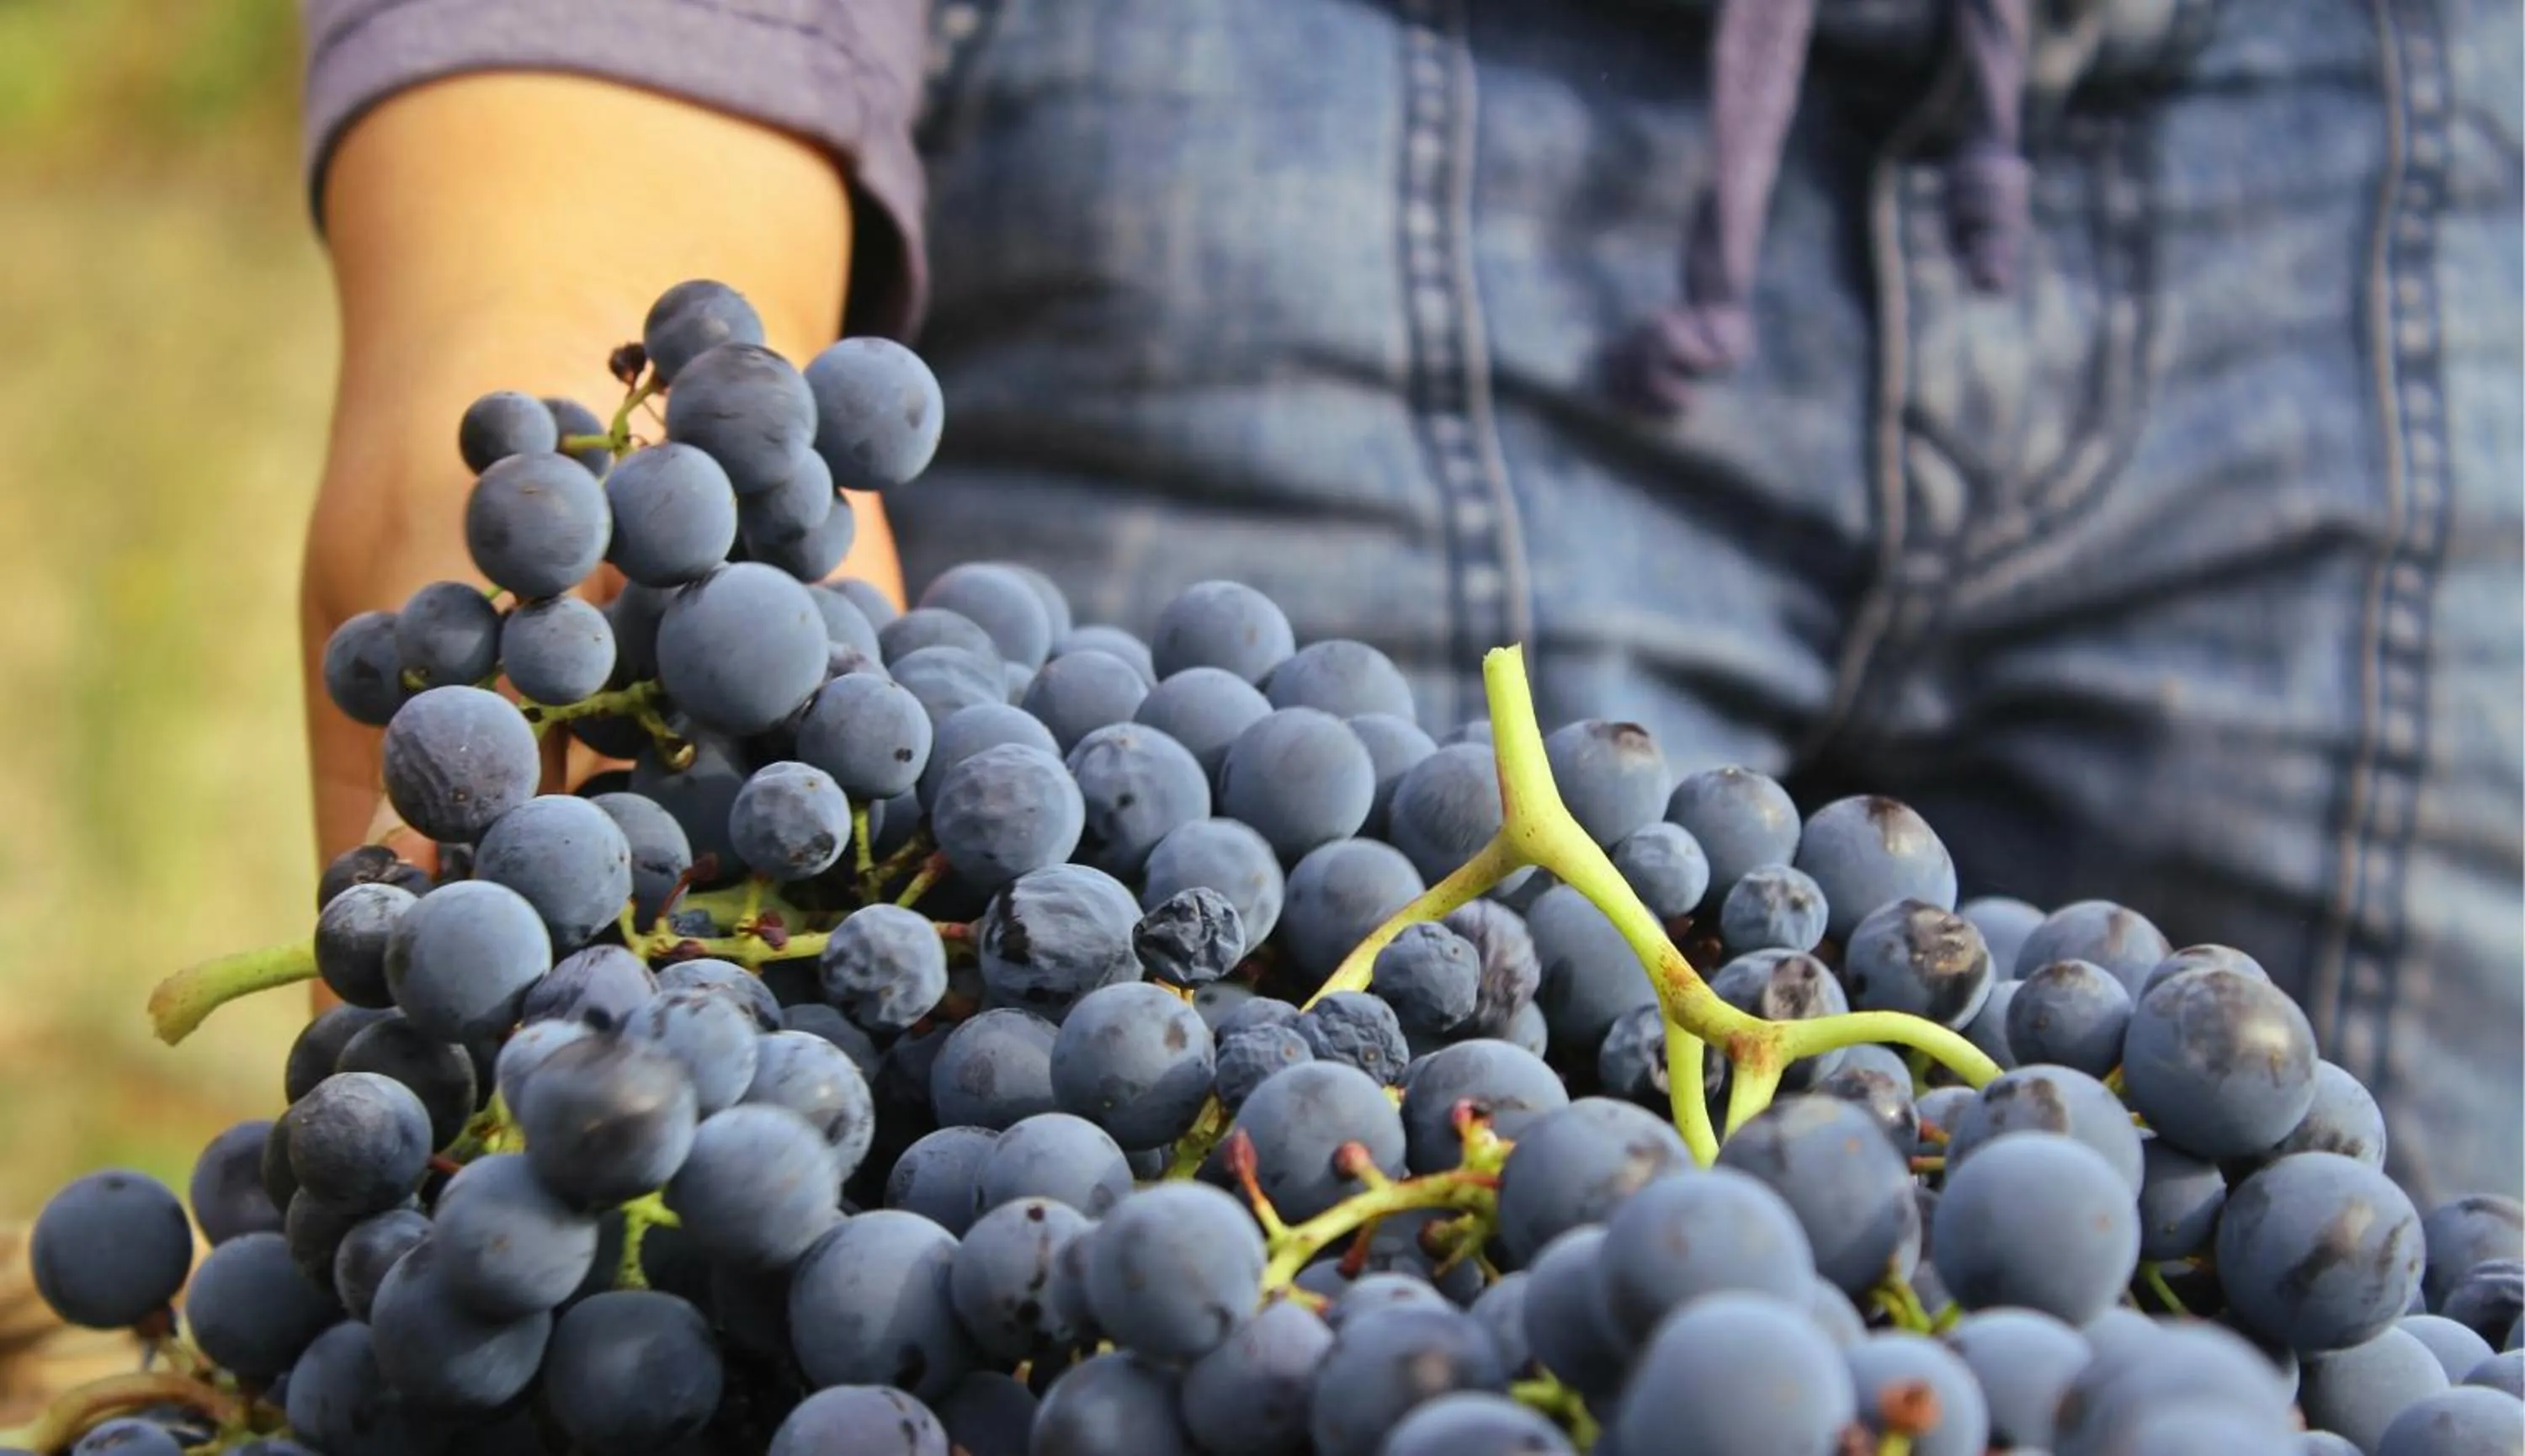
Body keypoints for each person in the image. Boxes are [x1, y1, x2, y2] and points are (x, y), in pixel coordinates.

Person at [292, 0, 2520, 1210]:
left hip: (2407, 153)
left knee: (2330, 1237)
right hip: (1280, 98)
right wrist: (564, 291)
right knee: (1186, 1168)